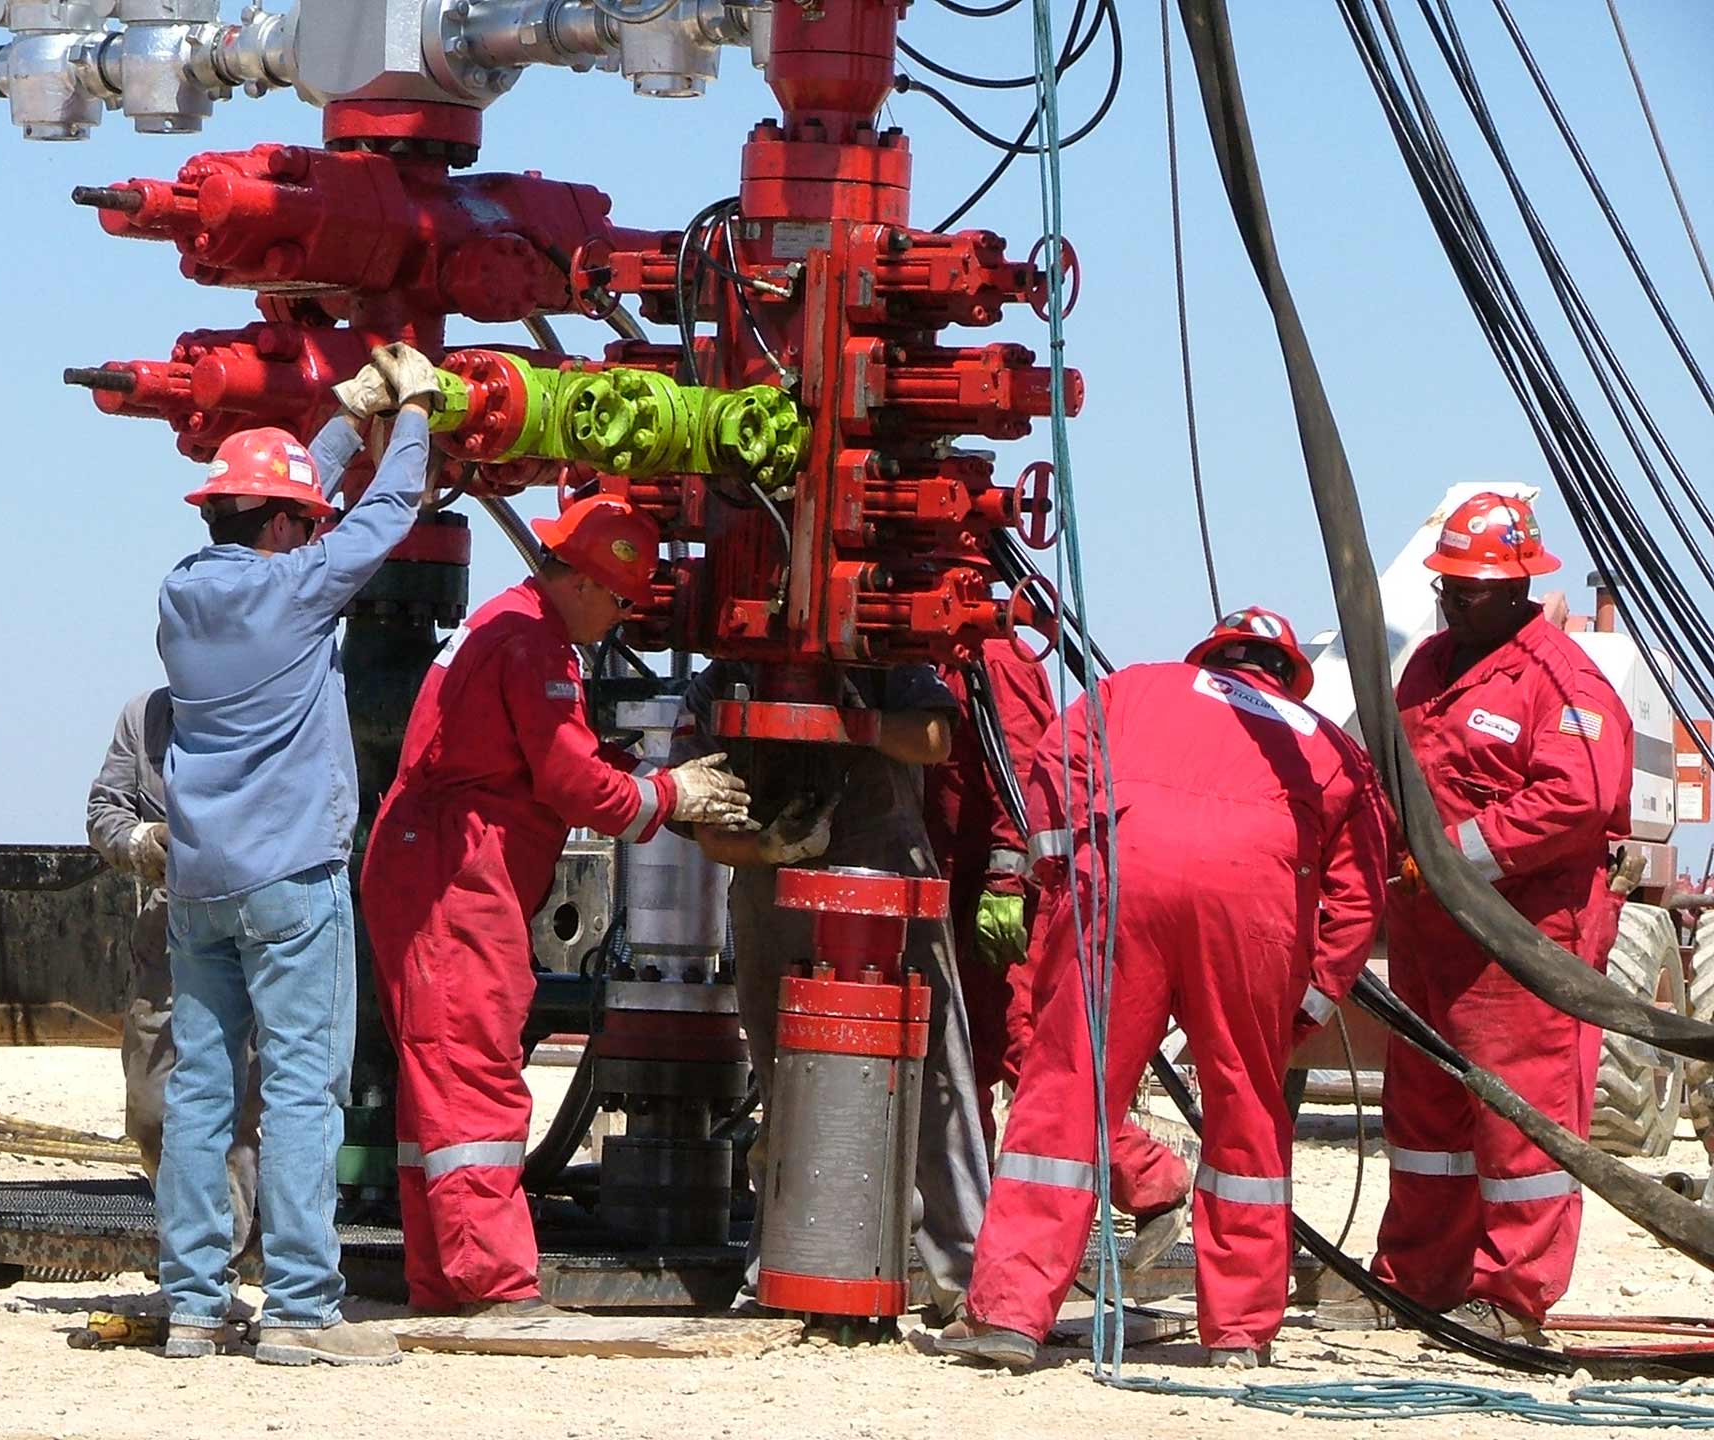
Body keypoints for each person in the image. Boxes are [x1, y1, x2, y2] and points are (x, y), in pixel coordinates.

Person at [940, 607, 1390, 1370]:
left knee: (1067, 1091)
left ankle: (1010, 1318)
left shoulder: (1135, 688)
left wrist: (1061, 874)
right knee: (1246, 1108)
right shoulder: (1326, 740)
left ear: (1212, 655)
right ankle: (1239, 1334)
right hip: (1253, 907)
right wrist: (1312, 999)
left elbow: (1053, 765)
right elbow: (1358, 889)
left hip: (1124, 883)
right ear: (1286, 674)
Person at [359, 495, 753, 1317]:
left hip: (446, 866)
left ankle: (444, 1276)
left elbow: (548, 757)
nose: (617, 619)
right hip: (453, 874)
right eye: (616, 599)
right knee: (472, 1072)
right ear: (581, 577)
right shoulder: (528, 639)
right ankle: (493, 1283)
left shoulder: (516, 625)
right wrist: (673, 793)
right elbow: (573, 783)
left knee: (438, 1076)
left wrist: (631, 771)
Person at [154, 343, 441, 1366]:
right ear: (282, 529)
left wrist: (337, 420)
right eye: (301, 523)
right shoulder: (298, 591)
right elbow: (383, 520)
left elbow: (297, 512)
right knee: (301, 1090)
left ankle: (193, 1305)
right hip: (291, 883)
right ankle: (304, 1313)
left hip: (201, 884)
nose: (310, 533)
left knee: (202, 1090)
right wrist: (411, 416)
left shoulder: (182, 598)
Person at [1323, 493, 1631, 1344]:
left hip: (1521, 943)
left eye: (1475, 587)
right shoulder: (1427, 665)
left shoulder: (1561, 680)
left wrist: (1455, 855)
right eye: (1450, 584)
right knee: (1425, 1118)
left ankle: (1512, 1297)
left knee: (1518, 1118)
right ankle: (1417, 1277)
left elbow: (1579, 798)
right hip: (1432, 939)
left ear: (1521, 585)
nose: (1456, 599)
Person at [671, 661, 989, 1321]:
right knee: (788, 1082)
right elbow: (705, 826)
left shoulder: (884, 662)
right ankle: (780, 1270)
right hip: (773, 891)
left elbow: (937, 735)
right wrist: (768, 849)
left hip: (891, 885)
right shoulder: (716, 686)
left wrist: (858, 725)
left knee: (933, 1085)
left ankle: (969, 1278)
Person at [925, 641, 1190, 1271]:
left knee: (1030, 1049)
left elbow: (1023, 774)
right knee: (966, 1061)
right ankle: (973, 1218)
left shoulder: (992, 660)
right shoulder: (927, 661)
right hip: (950, 889)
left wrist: (1007, 882)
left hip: (999, 897)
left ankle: (1151, 1179)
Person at [86, 687, 259, 1272]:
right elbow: (104, 810)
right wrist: (142, 842)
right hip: (169, 933)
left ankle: (217, 1257)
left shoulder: (266, 706)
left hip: (253, 928)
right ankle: (204, 1243)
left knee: (244, 1106)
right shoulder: (144, 718)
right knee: (154, 1105)